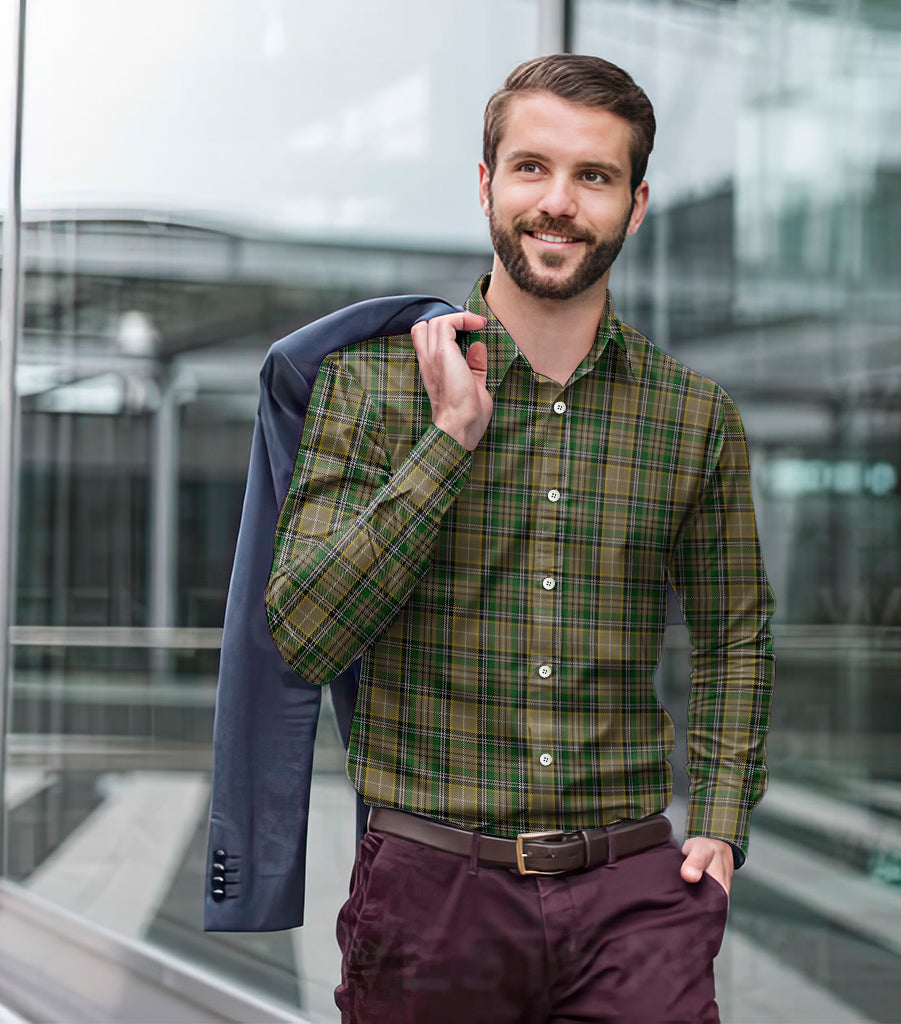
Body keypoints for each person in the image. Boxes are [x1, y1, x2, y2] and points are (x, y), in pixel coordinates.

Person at [265, 53, 774, 1024]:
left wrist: (717, 819)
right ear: (487, 182)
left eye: (595, 176)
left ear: (636, 202)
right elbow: (304, 633)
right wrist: (449, 440)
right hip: (432, 896)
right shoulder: (371, 389)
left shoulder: (692, 417)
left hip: (634, 896)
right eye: (533, 167)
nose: (559, 202)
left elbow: (734, 634)